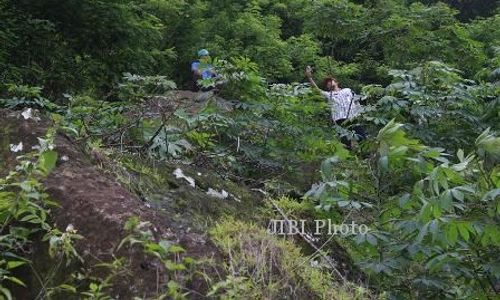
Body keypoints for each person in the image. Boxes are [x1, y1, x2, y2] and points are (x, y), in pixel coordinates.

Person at [304, 66, 365, 147]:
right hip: (340, 119)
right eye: (327, 83)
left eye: (330, 81)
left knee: (362, 137)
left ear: (336, 82)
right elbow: (317, 90)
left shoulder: (347, 90)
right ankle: (348, 157)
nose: (329, 83)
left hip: (353, 117)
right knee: (345, 141)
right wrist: (310, 77)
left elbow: (356, 100)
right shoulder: (329, 95)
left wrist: (360, 112)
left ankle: (366, 156)